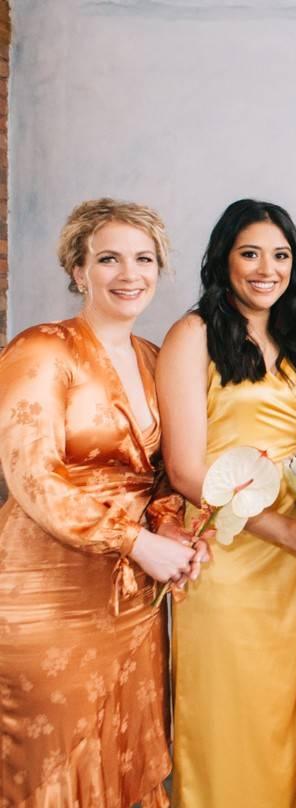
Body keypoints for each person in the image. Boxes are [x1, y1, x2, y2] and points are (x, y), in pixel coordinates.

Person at [0, 199, 205, 807]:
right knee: (52, 763)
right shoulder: (42, 349)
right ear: (78, 270)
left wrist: (171, 532)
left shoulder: (154, 359)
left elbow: (164, 478)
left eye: (143, 259)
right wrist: (137, 542)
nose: (128, 274)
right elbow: (29, 473)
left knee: (125, 754)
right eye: (108, 258)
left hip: (132, 602)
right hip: (45, 593)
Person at [157, 199, 296, 807]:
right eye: (251, 253)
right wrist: (283, 531)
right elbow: (185, 470)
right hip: (228, 556)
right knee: (222, 720)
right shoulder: (192, 334)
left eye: (281, 255)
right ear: (223, 260)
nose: (268, 268)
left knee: (281, 725)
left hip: (294, 570)